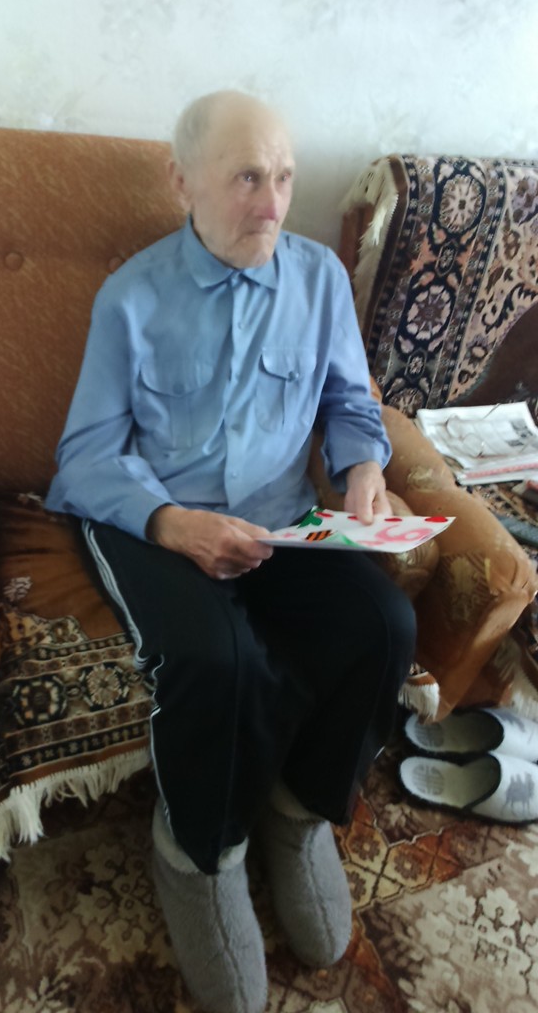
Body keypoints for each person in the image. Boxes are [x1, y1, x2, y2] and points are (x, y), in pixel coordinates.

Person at [46, 90, 416, 1013]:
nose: (273, 203)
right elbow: (85, 457)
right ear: (183, 183)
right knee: (219, 661)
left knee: (384, 626)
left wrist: (363, 468)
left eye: (284, 177)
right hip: (159, 523)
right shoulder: (132, 298)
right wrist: (174, 523)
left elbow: (350, 401)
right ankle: (199, 854)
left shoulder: (320, 280)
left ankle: (299, 814)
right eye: (248, 177)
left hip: (280, 520)